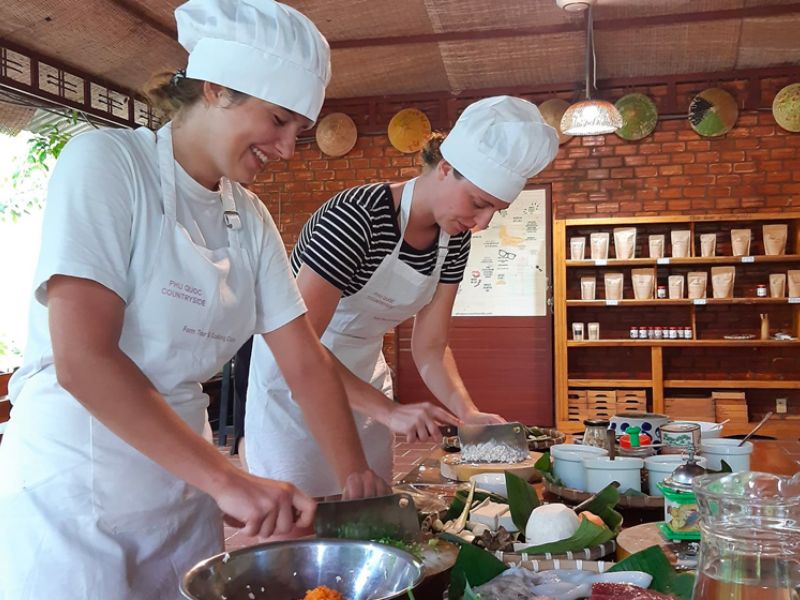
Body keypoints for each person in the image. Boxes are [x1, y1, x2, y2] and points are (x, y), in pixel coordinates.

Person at [0, 1, 389, 598]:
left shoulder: (249, 217)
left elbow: (305, 361)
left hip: (183, 482)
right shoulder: (107, 164)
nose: (288, 149)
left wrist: (355, 477)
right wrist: (229, 480)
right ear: (216, 88)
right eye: (279, 120)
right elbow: (83, 360)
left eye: (298, 131)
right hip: (78, 484)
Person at [245, 95, 560, 498]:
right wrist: (389, 411)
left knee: (367, 507)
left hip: (363, 375)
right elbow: (302, 346)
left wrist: (467, 413)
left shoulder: (454, 239)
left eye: (495, 212)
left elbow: (430, 347)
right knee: (301, 510)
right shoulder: (356, 217)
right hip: (295, 380)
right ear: (445, 169)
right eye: (479, 204)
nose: (481, 223)